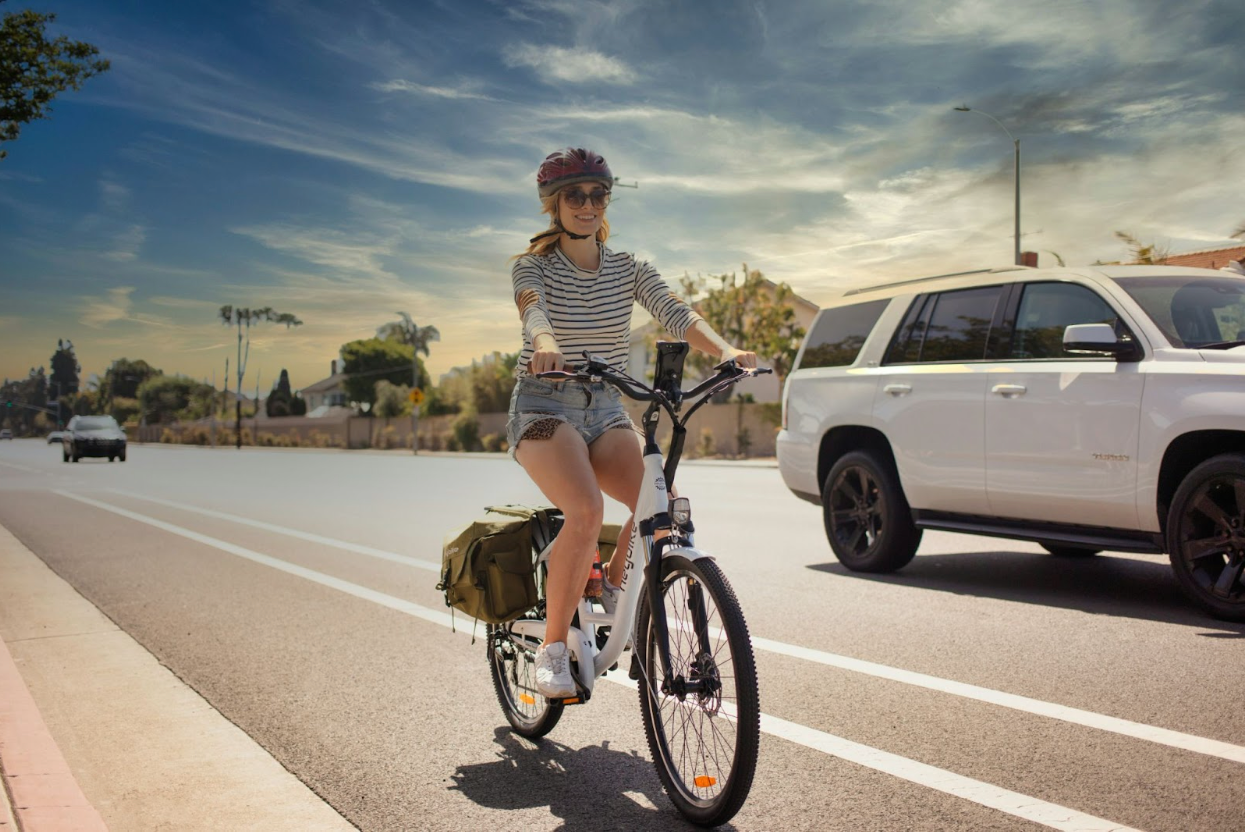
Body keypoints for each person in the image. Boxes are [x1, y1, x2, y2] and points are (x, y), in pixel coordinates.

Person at [508, 147, 756, 698]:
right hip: (545, 406)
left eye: (598, 195)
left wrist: (726, 349)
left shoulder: (628, 268)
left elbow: (673, 310)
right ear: (554, 205)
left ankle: (618, 588)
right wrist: (546, 345)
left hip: (606, 407)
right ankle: (552, 650)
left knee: (662, 508)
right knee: (587, 510)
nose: (588, 205)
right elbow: (533, 310)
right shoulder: (535, 266)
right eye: (575, 196)